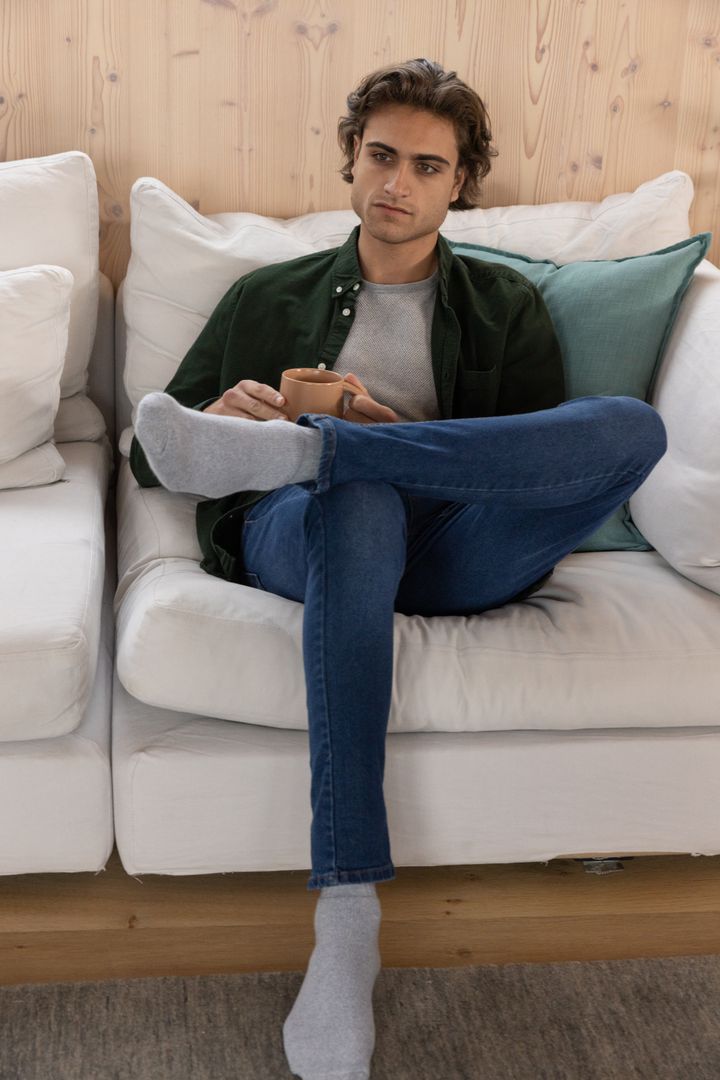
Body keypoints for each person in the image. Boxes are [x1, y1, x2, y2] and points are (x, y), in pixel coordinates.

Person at [131, 58, 667, 1080]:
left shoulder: (504, 303)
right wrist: (224, 417)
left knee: (629, 427)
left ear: (458, 182)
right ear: (351, 156)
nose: (398, 181)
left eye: (428, 165)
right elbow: (154, 450)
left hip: (460, 542)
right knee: (358, 501)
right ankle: (345, 917)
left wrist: (375, 436)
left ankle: (326, 449)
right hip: (311, 532)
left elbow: (531, 458)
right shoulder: (265, 295)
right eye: (382, 154)